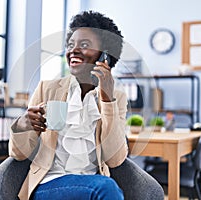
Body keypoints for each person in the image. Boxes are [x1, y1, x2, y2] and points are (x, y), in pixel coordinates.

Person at [9, 11, 157, 200]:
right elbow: (19, 155)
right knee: (105, 189)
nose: (73, 50)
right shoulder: (48, 88)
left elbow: (115, 159)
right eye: (71, 45)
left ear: (105, 56)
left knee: (103, 188)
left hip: (93, 182)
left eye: (84, 45)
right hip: (48, 183)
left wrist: (107, 99)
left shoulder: (116, 98)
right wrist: (23, 125)